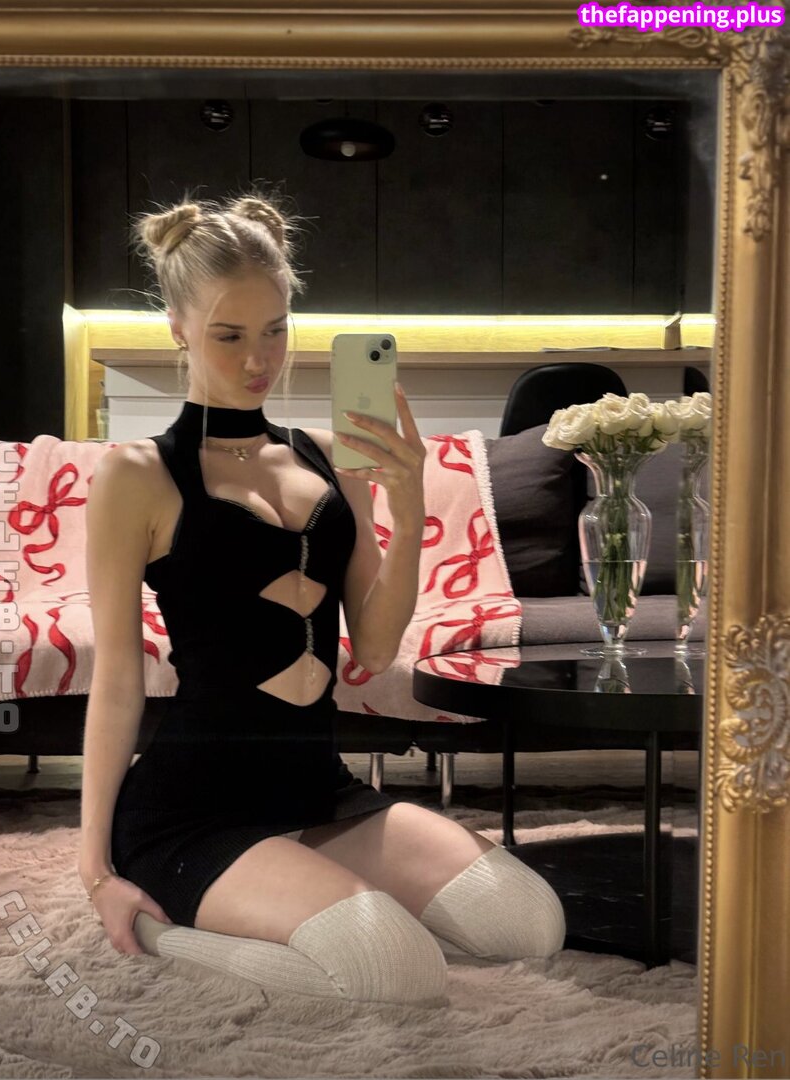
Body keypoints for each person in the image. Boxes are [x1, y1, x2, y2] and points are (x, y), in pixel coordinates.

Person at [78, 187, 566, 1007]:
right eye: (229, 335)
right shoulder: (136, 475)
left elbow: (371, 650)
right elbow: (120, 680)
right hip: (192, 809)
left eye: (274, 330)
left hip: (317, 790)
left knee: (530, 923)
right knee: (396, 969)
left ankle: (304, 885)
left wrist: (408, 504)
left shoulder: (330, 458)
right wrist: (94, 868)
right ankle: (165, 932)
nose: (257, 360)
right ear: (178, 327)